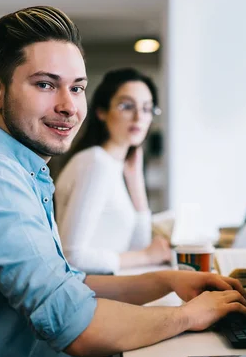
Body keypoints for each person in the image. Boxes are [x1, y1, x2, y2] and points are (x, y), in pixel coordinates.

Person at [0, 6, 246, 357]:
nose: (69, 106)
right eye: (45, 84)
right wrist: (189, 316)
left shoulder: (20, 170)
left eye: (76, 87)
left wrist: (168, 281)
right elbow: (75, 324)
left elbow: (69, 283)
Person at [55, 68, 170, 274]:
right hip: (92, 295)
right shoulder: (96, 162)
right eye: (127, 106)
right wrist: (146, 256)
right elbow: (71, 255)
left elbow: (136, 248)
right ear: (101, 111)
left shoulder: (116, 165)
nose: (138, 117)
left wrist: (136, 185)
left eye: (146, 108)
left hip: (112, 286)